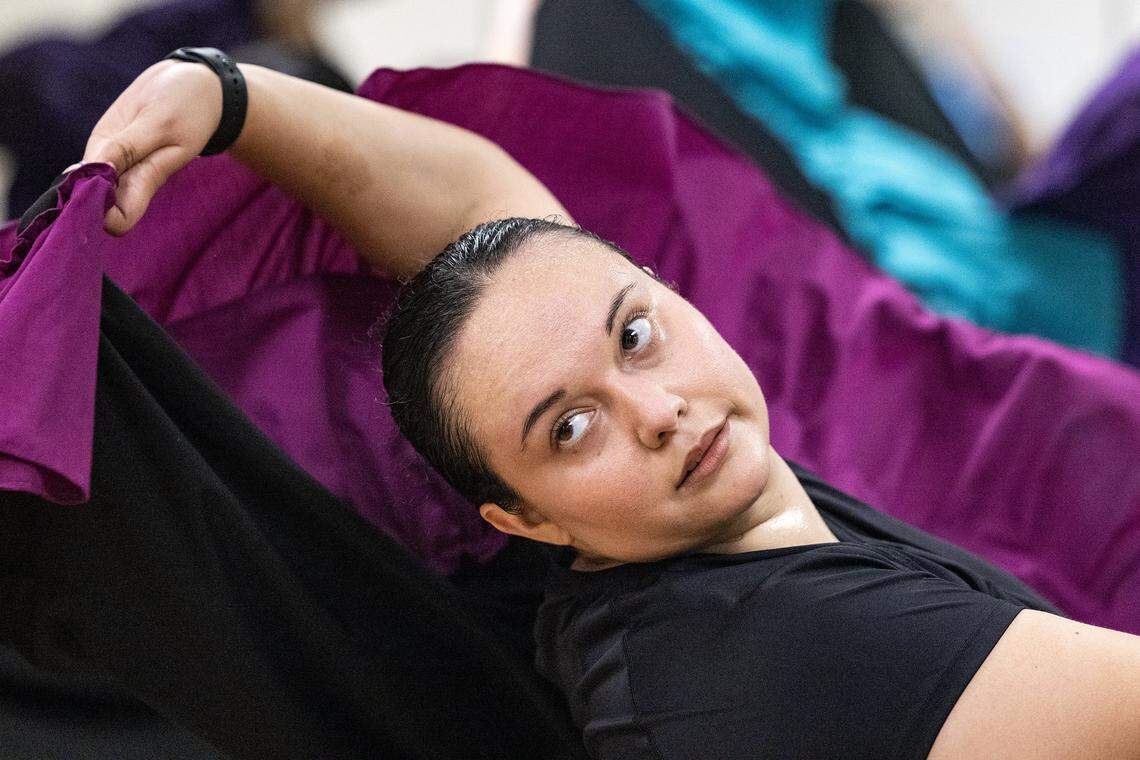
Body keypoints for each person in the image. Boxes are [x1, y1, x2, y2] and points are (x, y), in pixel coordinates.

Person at [82, 55, 1140, 759]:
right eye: (571, 428)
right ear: (521, 516)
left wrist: (227, 96)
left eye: (635, 331)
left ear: (670, 291)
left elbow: (483, 216)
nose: (658, 411)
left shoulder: (627, 560)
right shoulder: (787, 655)